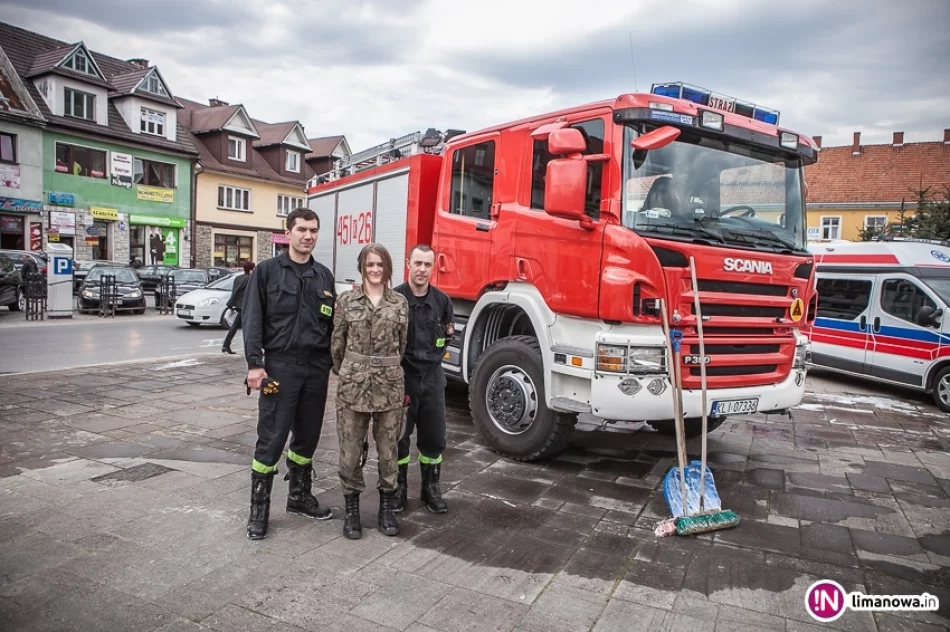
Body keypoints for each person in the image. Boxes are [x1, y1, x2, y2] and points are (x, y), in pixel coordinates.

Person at [241, 207, 337, 540]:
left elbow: (332, 326)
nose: (308, 236)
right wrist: (255, 364)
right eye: (301, 230)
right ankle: (259, 510)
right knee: (271, 438)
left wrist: (335, 364)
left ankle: (299, 497)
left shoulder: (323, 276)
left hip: (315, 369)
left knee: (308, 437)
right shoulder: (267, 272)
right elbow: (252, 319)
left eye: (313, 230)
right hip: (279, 367)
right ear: (288, 232)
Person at [331, 243, 409, 540]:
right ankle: (352, 510)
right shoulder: (347, 301)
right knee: (350, 453)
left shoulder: (399, 303)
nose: (375, 270)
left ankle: (386, 507)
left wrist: (384, 369)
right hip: (353, 386)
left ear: (387, 268)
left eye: (380, 265)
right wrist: (352, 371)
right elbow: (337, 346)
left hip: (389, 385)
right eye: (370, 264)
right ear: (361, 267)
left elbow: (402, 345)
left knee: (389, 452)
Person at [393, 244, 453, 514]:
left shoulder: (443, 302)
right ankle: (398, 489)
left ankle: (430, 489)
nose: (422, 269)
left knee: (434, 436)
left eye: (427, 265)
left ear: (433, 268)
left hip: (432, 377)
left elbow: (447, 338)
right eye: (417, 263)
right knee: (399, 436)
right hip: (402, 376)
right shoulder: (394, 300)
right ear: (408, 263)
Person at [222, 260, 256, 355]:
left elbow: (235, 291)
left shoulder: (238, 278)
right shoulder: (250, 279)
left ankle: (226, 344)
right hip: (246, 306)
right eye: (253, 268)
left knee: (235, 326)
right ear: (250, 270)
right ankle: (249, 349)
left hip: (238, 305)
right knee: (247, 328)